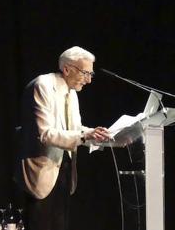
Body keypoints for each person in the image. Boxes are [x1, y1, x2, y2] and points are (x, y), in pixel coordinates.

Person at [14, 46, 111, 230]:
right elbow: (45, 133)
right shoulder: (43, 86)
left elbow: (73, 130)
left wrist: (97, 135)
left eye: (91, 74)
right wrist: (84, 135)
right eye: (85, 73)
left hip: (64, 170)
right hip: (42, 171)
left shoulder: (72, 93)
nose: (89, 80)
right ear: (67, 69)